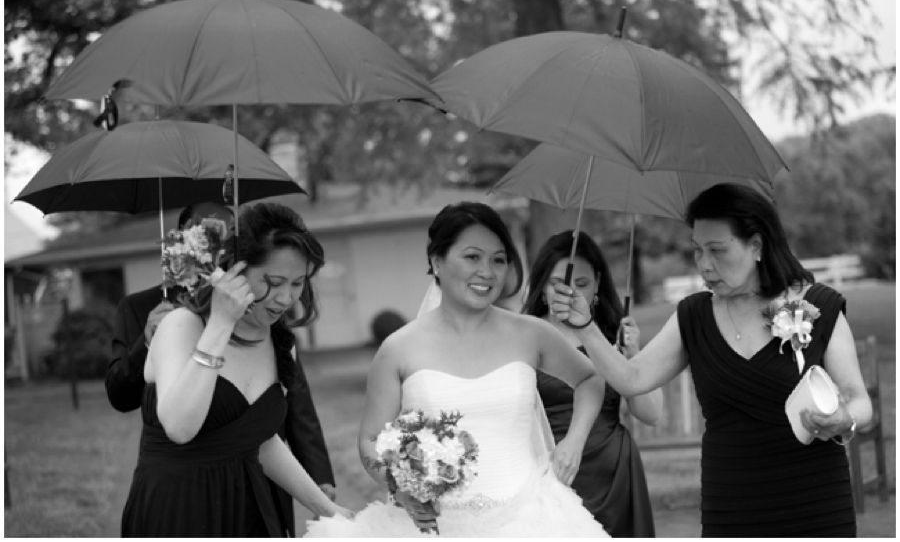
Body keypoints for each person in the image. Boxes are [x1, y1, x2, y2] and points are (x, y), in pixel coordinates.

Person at [554, 184, 873, 537]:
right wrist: (585, 326)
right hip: (730, 504)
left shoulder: (819, 307)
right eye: (697, 250)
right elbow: (631, 379)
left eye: (717, 250)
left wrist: (845, 419)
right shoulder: (693, 316)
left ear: (756, 245)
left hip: (815, 500)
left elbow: (860, 402)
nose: (705, 264)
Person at [306, 201, 610, 537]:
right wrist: (400, 486)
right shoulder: (398, 348)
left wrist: (574, 441)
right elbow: (369, 439)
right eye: (472, 257)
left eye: (499, 260)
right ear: (437, 261)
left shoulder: (531, 333)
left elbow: (590, 379)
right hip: (433, 524)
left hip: (529, 519)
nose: (488, 271)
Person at [121, 203, 354, 537]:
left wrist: (326, 508)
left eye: (297, 283)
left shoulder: (280, 344)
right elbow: (179, 426)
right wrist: (220, 323)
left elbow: (257, 440)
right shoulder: (180, 326)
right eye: (272, 282)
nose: (286, 298)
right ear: (233, 272)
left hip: (248, 510)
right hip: (177, 509)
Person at [522, 230, 660, 537]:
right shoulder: (525, 335)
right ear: (542, 287)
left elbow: (651, 414)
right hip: (548, 469)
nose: (571, 294)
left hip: (613, 476)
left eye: (582, 284)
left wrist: (633, 355)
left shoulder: (613, 334)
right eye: (559, 284)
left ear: (597, 283)